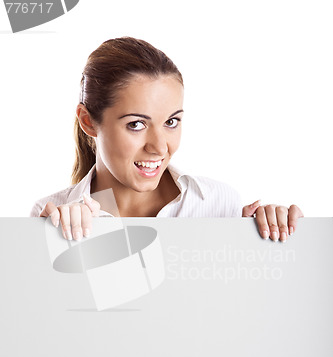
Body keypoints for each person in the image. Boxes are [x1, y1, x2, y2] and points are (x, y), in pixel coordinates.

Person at [30, 36, 303, 242]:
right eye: (136, 124)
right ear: (89, 121)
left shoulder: (219, 205)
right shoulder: (51, 214)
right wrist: (49, 246)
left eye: (171, 122)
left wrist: (270, 239)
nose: (159, 147)